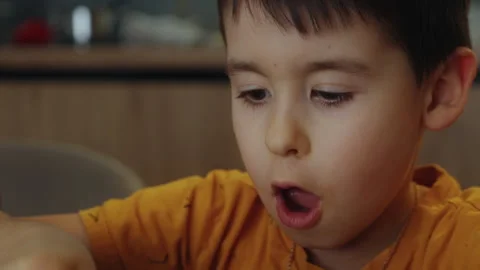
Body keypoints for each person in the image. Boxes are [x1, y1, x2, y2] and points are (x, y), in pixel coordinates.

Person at [0, 0, 479, 269]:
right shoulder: (209, 221)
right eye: (254, 93)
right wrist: (32, 249)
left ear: (438, 91)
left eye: (329, 94)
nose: (278, 138)